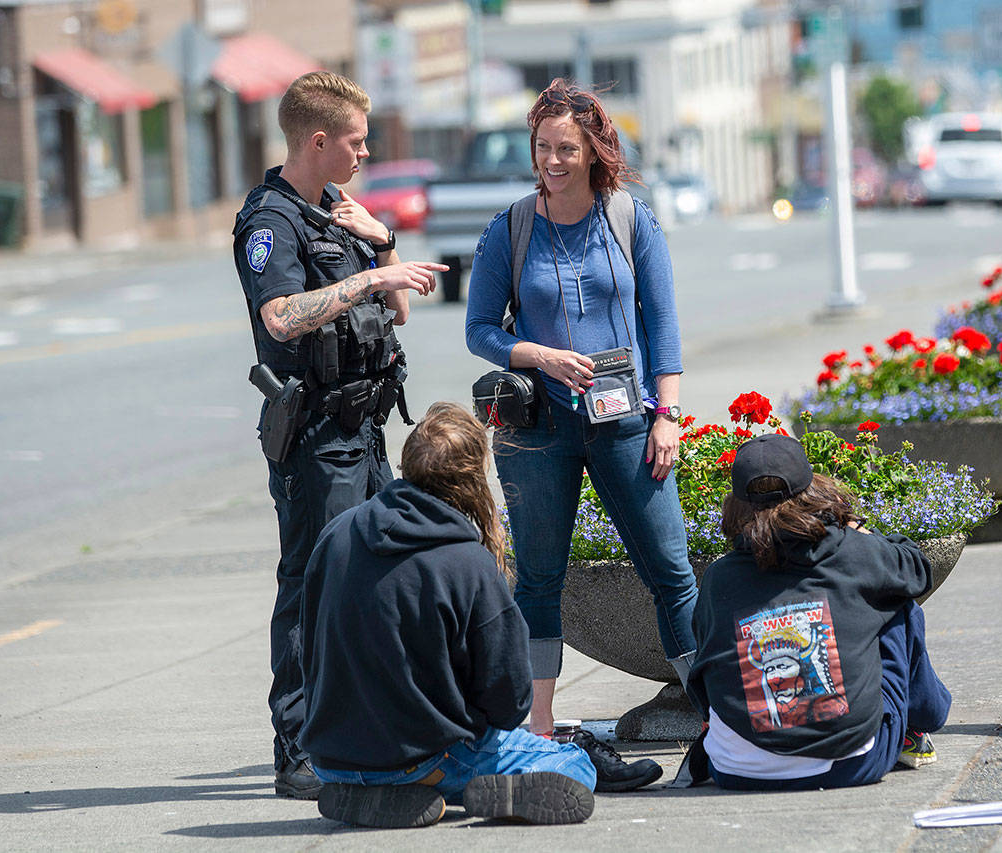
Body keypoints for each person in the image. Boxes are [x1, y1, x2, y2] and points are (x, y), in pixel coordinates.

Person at [465, 78, 698, 792]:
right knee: (537, 577)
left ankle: (713, 708)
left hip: (627, 421)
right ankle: (539, 727)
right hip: (539, 429)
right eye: (544, 149)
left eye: (568, 149)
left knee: (671, 567)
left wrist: (668, 416)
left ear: (596, 152)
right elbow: (479, 329)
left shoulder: (631, 219)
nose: (554, 162)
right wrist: (536, 354)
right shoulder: (510, 228)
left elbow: (663, 326)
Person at [232, 70, 447, 798]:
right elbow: (282, 317)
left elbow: (402, 312)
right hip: (317, 435)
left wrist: (382, 244)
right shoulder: (272, 221)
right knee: (311, 585)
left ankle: (373, 722)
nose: (365, 152)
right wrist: (359, 281)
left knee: (383, 575)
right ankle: (296, 746)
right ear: (317, 141)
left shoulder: (340, 210)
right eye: (355, 141)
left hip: (367, 427)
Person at [299, 402, 596, 828]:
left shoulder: (338, 532)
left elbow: (307, 646)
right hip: (420, 758)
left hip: (329, 759)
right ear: (472, 478)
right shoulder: (467, 562)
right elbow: (510, 702)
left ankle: (375, 792)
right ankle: (440, 787)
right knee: (575, 763)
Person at [685, 434, 952, 790]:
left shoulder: (719, 577)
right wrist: (862, 534)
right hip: (851, 763)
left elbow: (706, 662)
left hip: (737, 768)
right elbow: (917, 570)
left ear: (736, 505)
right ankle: (919, 722)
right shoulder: (849, 551)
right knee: (896, 600)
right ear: (813, 490)